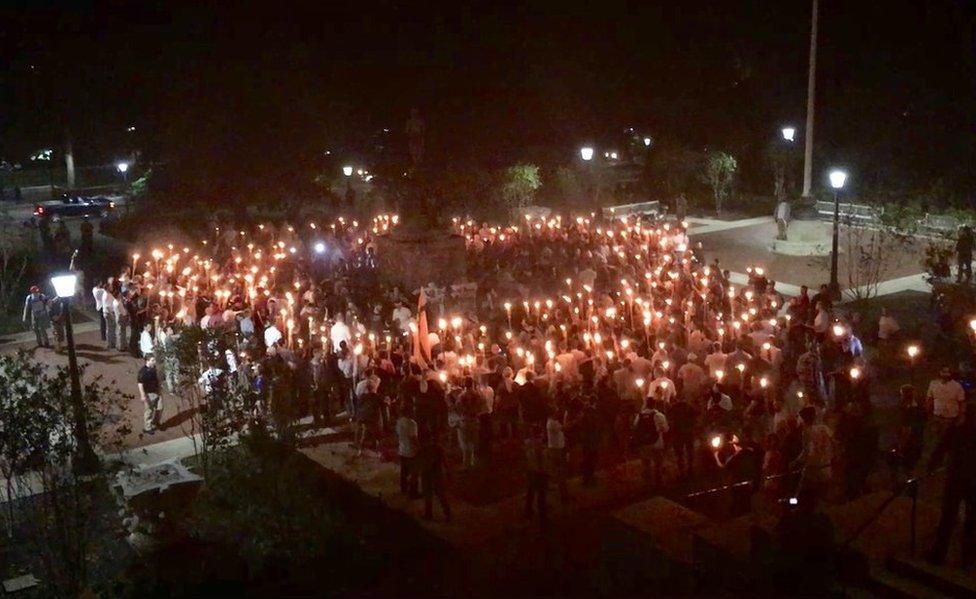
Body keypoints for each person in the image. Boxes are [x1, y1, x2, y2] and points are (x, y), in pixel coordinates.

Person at [925, 403, 976, 566]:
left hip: (956, 477)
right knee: (972, 520)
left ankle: (939, 554)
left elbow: (941, 449)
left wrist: (931, 466)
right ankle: (968, 558)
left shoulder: (957, 431)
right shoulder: (958, 431)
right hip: (972, 480)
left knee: (948, 517)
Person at [632, 398, 669, 487]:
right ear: (655, 404)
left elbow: (635, 427)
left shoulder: (639, 415)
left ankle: (648, 483)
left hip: (644, 443)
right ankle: (658, 483)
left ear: (646, 404)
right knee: (658, 464)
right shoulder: (659, 415)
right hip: (657, 443)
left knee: (646, 463)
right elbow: (665, 429)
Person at [925, 366, 965, 447]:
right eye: (943, 372)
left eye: (948, 372)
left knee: (946, 439)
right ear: (940, 372)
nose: (945, 374)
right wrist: (927, 410)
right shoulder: (933, 384)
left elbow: (962, 402)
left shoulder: (957, 386)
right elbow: (929, 398)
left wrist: (961, 416)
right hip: (937, 415)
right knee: (935, 438)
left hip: (950, 417)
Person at [418, 434, 451, 522]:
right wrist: (448, 471)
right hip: (437, 474)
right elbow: (445, 461)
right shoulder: (438, 448)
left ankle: (429, 514)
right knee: (440, 494)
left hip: (428, 474)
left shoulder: (423, 449)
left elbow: (421, 462)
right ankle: (447, 513)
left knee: (429, 495)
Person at [524, 426, 549, 531]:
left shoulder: (527, 443)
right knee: (541, 494)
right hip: (538, 472)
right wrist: (543, 470)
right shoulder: (539, 445)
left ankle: (528, 510)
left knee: (531, 490)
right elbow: (540, 459)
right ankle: (543, 516)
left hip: (530, 470)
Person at [396, 405, 420, 497]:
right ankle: (413, 492)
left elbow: (398, 435)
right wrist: (419, 448)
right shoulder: (412, 423)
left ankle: (403, 488)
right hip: (411, 451)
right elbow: (413, 438)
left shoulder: (399, 421)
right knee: (414, 473)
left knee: (404, 471)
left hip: (402, 449)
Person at [137, 355, 163, 434]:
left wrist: (159, 387)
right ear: (147, 361)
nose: (154, 362)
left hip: (157, 392)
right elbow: (140, 384)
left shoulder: (153, 368)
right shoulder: (143, 372)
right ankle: (147, 427)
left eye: (154, 360)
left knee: (160, 408)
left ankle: (155, 421)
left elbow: (157, 379)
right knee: (149, 411)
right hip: (149, 393)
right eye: (152, 360)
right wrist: (142, 395)